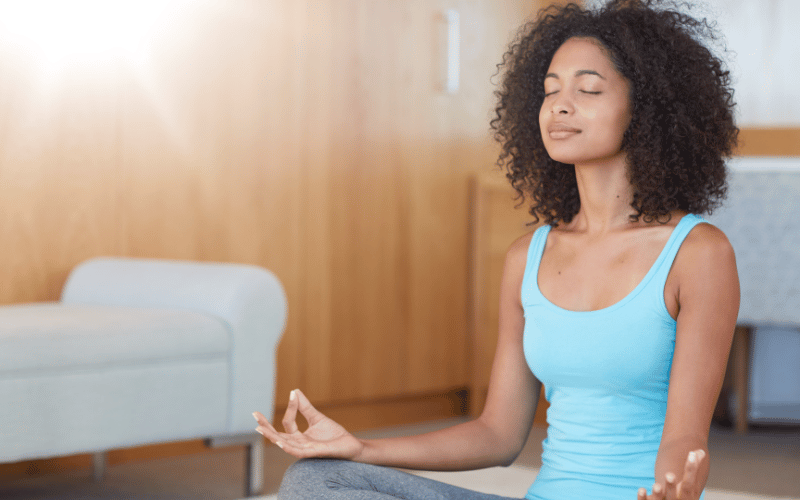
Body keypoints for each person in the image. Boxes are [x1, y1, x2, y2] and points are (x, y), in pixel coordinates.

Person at [253, 0, 741, 498]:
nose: (561, 104)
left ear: (648, 107)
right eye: (550, 90)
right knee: (317, 481)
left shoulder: (698, 254)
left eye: (589, 89)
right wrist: (360, 448)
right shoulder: (527, 256)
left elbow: (686, 437)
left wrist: (675, 485)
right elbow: (497, 434)